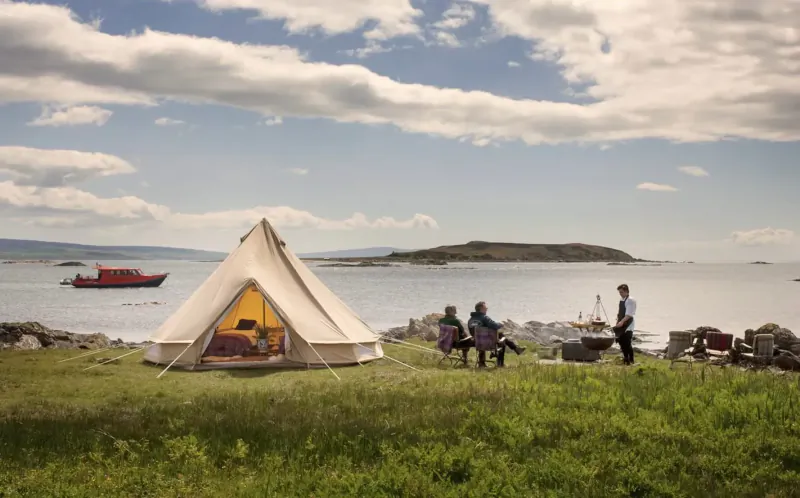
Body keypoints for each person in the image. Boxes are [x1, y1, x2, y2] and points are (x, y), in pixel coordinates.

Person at [468, 301, 526, 367]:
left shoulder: (470, 320)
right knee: (502, 339)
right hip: (489, 343)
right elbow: (495, 326)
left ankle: (482, 363)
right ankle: (501, 363)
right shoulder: (484, 318)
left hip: (477, 343)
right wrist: (501, 324)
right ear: (481, 308)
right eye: (485, 307)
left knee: (499, 335)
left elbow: (472, 332)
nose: (487, 308)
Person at [613, 284, 637, 365]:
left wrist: (622, 322)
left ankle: (631, 360)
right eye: (619, 292)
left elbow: (629, 314)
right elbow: (620, 312)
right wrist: (618, 321)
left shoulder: (630, 300)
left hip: (628, 323)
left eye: (622, 292)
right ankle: (625, 358)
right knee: (621, 341)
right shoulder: (622, 299)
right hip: (621, 322)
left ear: (627, 291)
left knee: (627, 342)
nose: (620, 294)